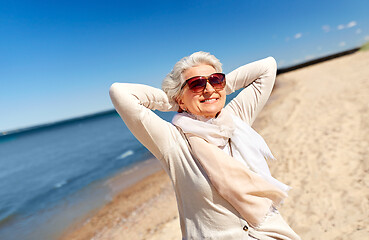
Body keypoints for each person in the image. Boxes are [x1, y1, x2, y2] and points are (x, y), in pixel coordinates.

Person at [109, 51, 301, 240]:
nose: (208, 88)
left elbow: (267, 67)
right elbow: (120, 93)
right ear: (180, 98)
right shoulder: (173, 143)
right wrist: (174, 100)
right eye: (196, 84)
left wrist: (220, 89)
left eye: (216, 79)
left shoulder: (235, 120)